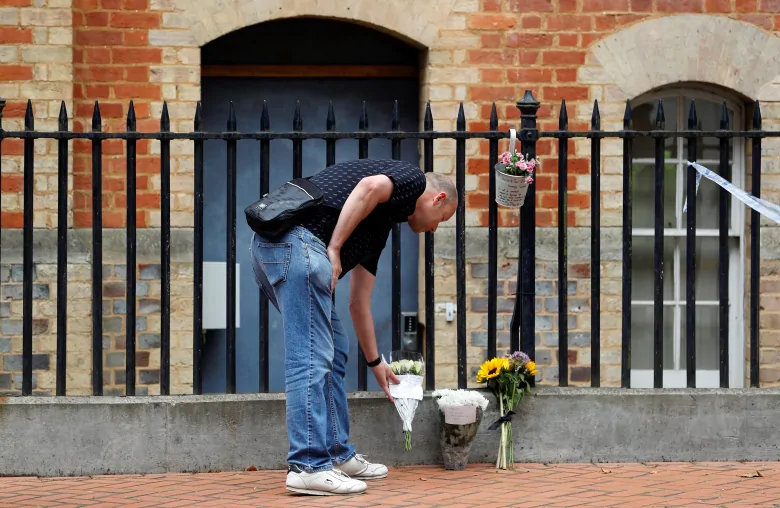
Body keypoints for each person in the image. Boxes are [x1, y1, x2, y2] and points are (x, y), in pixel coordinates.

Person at [249, 158, 457, 496]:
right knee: (311, 356)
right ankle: (308, 465)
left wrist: (377, 364)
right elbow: (369, 187)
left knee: (334, 350)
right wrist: (333, 248)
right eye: (441, 220)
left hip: (285, 249)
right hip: (296, 244)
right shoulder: (413, 180)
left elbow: (358, 302)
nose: (434, 229)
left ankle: (336, 454)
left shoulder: (377, 226)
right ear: (439, 200)